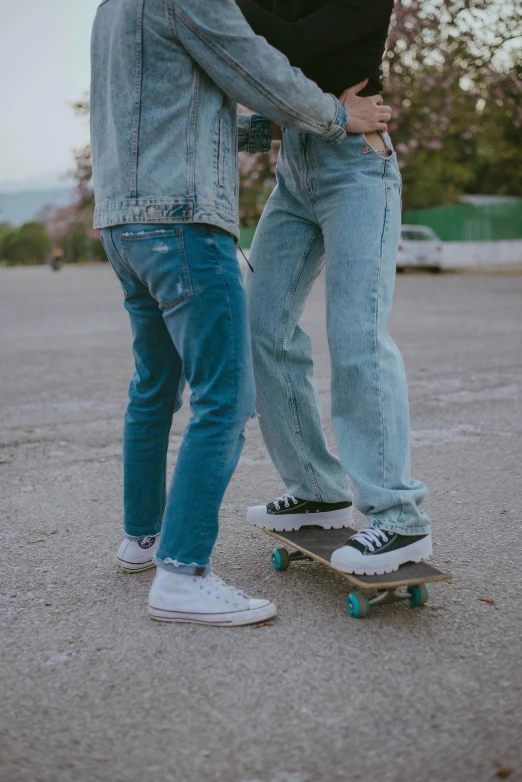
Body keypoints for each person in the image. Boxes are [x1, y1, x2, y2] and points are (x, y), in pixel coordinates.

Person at [90, 0, 391, 624]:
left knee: (154, 390)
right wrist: (340, 115)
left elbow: (181, 107)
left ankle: (141, 539)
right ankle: (182, 574)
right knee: (226, 397)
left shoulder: (110, 8)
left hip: (123, 222)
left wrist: (291, 128)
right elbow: (259, 72)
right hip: (182, 221)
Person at [238, 0, 433, 576]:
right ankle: (317, 489)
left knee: (357, 334)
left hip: (355, 166)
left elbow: (291, 48)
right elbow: (254, 62)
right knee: (261, 326)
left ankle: (400, 519)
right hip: (295, 167)